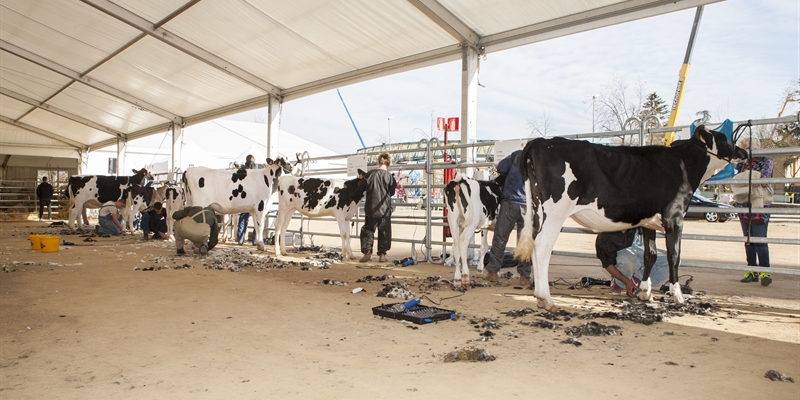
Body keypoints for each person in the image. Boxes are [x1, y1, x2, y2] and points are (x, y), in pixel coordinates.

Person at [484, 149, 532, 285]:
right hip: (528, 205)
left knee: (500, 237)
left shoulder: (516, 154)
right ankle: (525, 276)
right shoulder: (538, 158)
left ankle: (493, 272)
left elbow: (500, 168)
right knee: (525, 241)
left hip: (510, 201)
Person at [733, 137, 773, 286]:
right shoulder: (742, 163)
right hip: (744, 204)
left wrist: (747, 178)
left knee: (760, 239)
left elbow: (763, 180)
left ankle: (764, 272)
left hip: (759, 205)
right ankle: (751, 270)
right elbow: (736, 180)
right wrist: (749, 177)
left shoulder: (766, 161)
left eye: (745, 149)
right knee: (748, 239)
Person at [595, 229, 669, 298]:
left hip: (637, 248)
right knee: (629, 259)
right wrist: (627, 282)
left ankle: (639, 280)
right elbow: (608, 265)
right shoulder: (605, 238)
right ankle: (620, 282)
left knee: (670, 260)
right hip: (623, 254)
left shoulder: (634, 220)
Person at [359, 152, 397, 263]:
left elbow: (361, 186)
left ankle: (367, 252)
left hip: (371, 207)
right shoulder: (390, 177)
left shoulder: (369, 174)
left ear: (378, 162)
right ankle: (382, 255)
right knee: (384, 231)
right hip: (384, 209)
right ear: (388, 165)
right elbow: (392, 192)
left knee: (368, 230)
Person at [237, 154, 257, 245]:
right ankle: (255, 240)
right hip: (255, 198)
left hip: (244, 197)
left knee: (243, 217)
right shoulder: (256, 171)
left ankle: (241, 238)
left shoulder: (242, 170)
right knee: (257, 218)